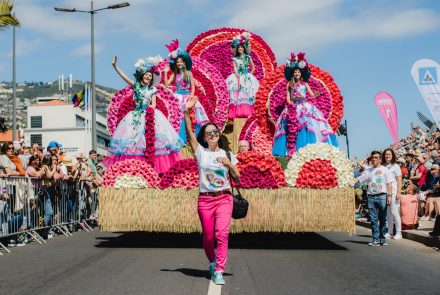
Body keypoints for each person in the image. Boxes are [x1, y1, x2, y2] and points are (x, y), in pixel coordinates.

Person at [183, 95, 240, 285]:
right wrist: (186, 111)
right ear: (205, 137)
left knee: (221, 234)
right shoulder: (201, 152)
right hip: (205, 200)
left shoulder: (228, 154)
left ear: (219, 134)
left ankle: (219, 269)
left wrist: (230, 165)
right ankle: (212, 261)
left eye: (215, 131)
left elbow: (238, 178)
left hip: (224, 198)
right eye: (209, 133)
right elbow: (189, 132)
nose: (213, 134)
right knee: (208, 237)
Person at [104, 55, 183, 174]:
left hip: (150, 115)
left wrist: (145, 107)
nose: (148, 76)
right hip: (135, 116)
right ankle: (135, 169)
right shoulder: (136, 86)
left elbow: (154, 105)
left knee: (155, 142)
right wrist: (115, 66)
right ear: (142, 75)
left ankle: (153, 170)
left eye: (150, 76)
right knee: (134, 142)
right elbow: (124, 77)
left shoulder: (152, 90)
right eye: (146, 74)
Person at [272, 52, 338, 156]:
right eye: (295, 72)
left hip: (304, 107)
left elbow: (311, 95)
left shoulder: (305, 84)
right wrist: (290, 105)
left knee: (306, 126)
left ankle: (307, 148)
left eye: (298, 72)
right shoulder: (289, 84)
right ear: (293, 74)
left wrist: (316, 93)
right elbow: (288, 97)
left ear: (301, 73)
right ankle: (291, 151)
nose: (297, 74)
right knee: (291, 128)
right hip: (293, 107)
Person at [164, 39, 209, 142]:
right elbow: (166, 85)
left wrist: (192, 95)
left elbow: (192, 86)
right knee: (180, 117)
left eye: (180, 62)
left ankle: (195, 138)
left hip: (188, 95)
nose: (179, 63)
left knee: (195, 115)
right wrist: (166, 73)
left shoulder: (189, 73)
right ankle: (182, 139)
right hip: (178, 96)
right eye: (177, 62)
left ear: (184, 63)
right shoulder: (175, 74)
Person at [355, 151, 393, 246]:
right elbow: (359, 179)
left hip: (382, 196)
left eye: (376, 157)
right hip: (371, 196)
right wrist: (346, 181)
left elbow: (389, 184)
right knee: (373, 219)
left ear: (380, 159)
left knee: (382, 219)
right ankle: (375, 239)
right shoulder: (369, 170)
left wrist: (389, 196)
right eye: (372, 158)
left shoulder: (385, 170)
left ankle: (382, 239)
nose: (374, 159)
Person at [225, 32, 259, 119]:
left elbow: (253, 68)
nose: (240, 49)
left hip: (246, 75)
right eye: (239, 48)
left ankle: (247, 111)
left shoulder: (248, 57)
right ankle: (236, 112)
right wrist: (238, 76)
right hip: (237, 76)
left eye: (241, 48)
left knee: (247, 93)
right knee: (236, 93)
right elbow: (235, 68)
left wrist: (248, 76)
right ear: (237, 49)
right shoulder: (234, 58)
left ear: (244, 49)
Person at [382, 148, 402, 240]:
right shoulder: (382, 166)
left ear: (392, 155)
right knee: (388, 214)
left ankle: (398, 232)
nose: (387, 156)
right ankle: (389, 232)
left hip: (394, 192)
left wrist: (398, 192)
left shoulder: (396, 166)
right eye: (386, 154)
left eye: (389, 154)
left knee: (394, 212)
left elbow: (399, 181)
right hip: (385, 192)